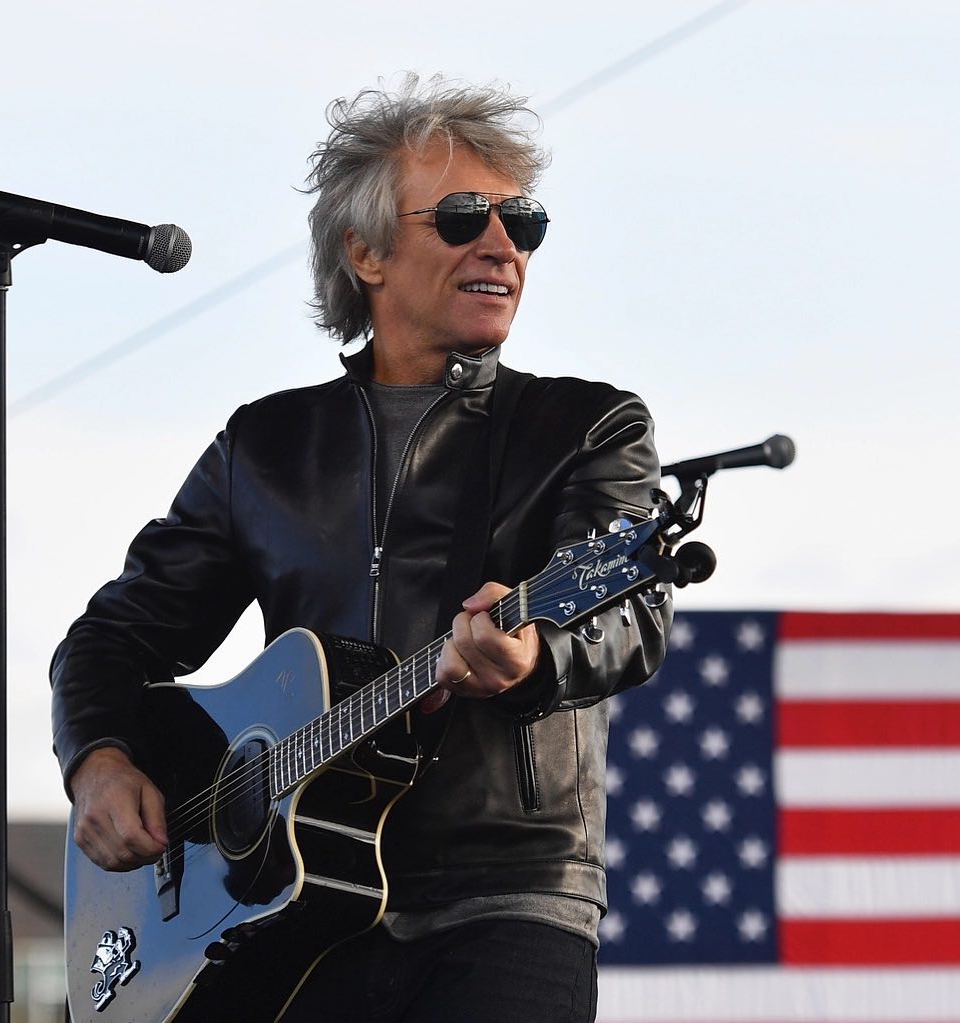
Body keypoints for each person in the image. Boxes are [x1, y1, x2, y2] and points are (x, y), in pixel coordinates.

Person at [51, 76, 672, 1023]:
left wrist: (535, 655)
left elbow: (627, 616)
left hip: (506, 890)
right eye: (462, 217)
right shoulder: (265, 447)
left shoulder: (585, 426)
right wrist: (98, 758)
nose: (501, 245)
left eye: (522, 223)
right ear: (365, 251)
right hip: (286, 908)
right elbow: (111, 639)